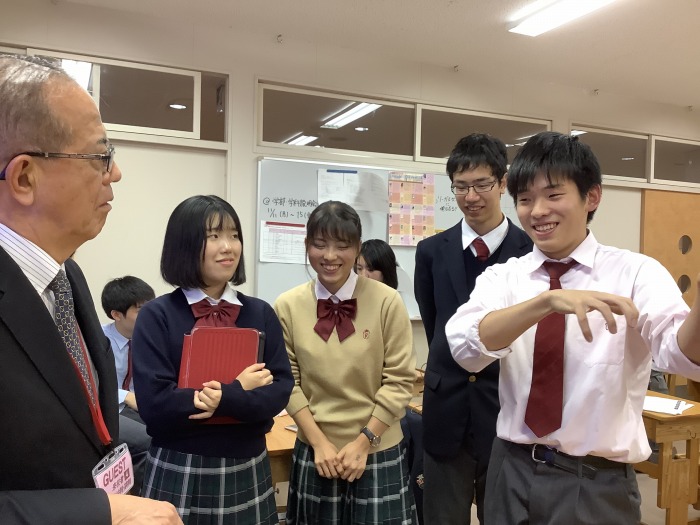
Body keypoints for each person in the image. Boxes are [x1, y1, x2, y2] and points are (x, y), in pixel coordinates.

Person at [446, 131, 700, 524]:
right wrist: (545, 303)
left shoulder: (635, 273)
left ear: (592, 197)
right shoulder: (505, 277)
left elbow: (681, 356)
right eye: (525, 199)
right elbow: (466, 348)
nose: (537, 211)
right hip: (510, 471)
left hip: (596, 483)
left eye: (553, 195)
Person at [0, 55, 181, 525]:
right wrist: (101, 511)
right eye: (100, 156)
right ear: (24, 178)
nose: (114, 173)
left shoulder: (67, 276)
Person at [132, 194, 293, 524]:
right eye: (214, 236)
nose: (228, 247)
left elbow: (279, 391)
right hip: (179, 462)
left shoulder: (260, 312)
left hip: (248, 461)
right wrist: (237, 391)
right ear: (185, 244)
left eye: (234, 235)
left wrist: (210, 400)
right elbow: (156, 404)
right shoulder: (157, 315)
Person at [413, 133, 532, 524]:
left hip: (507, 410)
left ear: (503, 183)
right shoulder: (431, 252)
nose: (471, 196)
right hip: (445, 408)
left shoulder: (530, 252)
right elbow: (436, 325)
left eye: (482, 184)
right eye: (461, 186)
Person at [274, 200, 418, 524]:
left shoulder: (387, 301)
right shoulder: (287, 305)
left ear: (357, 248)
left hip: (377, 448)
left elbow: (399, 381)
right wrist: (319, 443)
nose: (330, 256)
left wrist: (364, 441)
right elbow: (288, 382)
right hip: (316, 451)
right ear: (306, 245)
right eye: (320, 244)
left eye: (342, 246)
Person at [101, 275, 156, 494]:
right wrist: (126, 396)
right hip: (107, 410)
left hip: (137, 407)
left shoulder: (151, 338)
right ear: (116, 314)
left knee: (172, 431)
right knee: (149, 440)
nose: (151, 315)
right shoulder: (98, 339)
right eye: (142, 310)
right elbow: (91, 385)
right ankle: (140, 500)